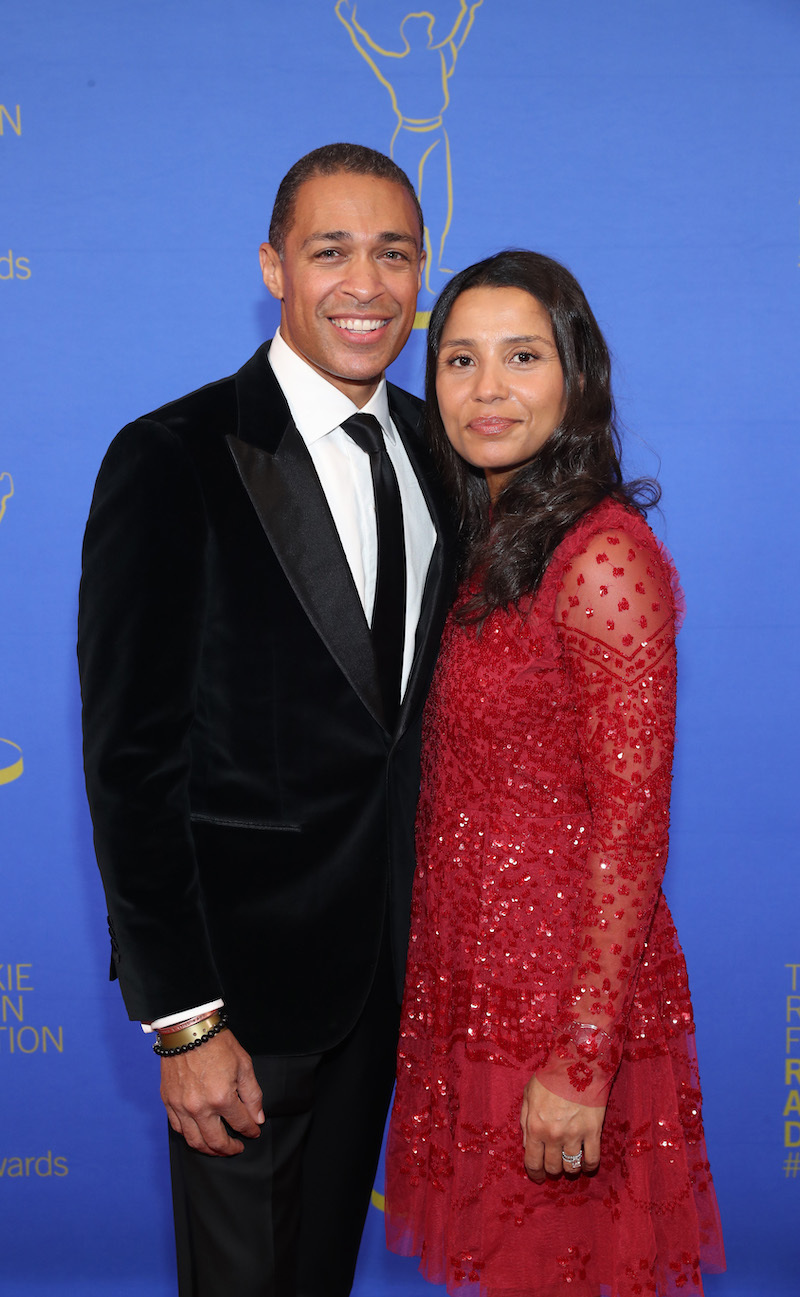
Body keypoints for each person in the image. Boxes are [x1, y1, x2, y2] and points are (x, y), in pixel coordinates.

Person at [78, 142, 455, 1297]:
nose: (364, 284)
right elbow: (132, 761)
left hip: (390, 972)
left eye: (391, 253)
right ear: (273, 268)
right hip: (239, 994)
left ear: (421, 270)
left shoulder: (446, 451)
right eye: (328, 250)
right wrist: (185, 1022)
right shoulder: (172, 457)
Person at [385, 250, 725, 1296]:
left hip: (559, 1010)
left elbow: (630, 832)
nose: (485, 390)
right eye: (457, 360)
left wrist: (579, 1059)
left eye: (520, 356)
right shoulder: (478, 542)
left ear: (574, 375)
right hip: (465, 992)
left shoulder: (601, 556)